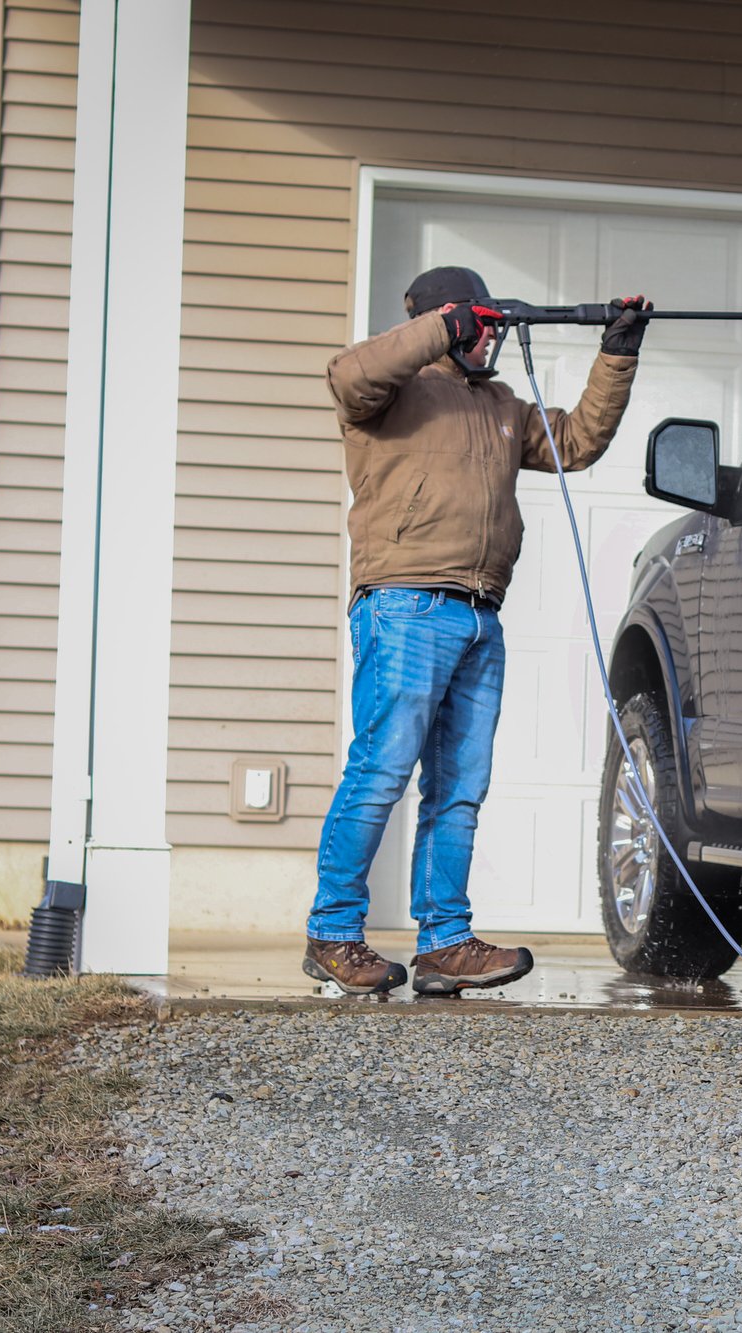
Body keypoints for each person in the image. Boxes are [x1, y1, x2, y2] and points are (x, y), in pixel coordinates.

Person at [302, 265, 650, 996]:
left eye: (494, 326)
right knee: (381, 772)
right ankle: (333, 932)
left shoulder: (500, 406)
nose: (491, 338)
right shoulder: (390, 393)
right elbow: (346, 374)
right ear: (447, 321)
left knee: (459, 789)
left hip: (479, 616)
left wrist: (618, 351)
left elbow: (577, 441)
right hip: (403, 607)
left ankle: (444, 943)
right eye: (479, 324)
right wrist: (441, 326)